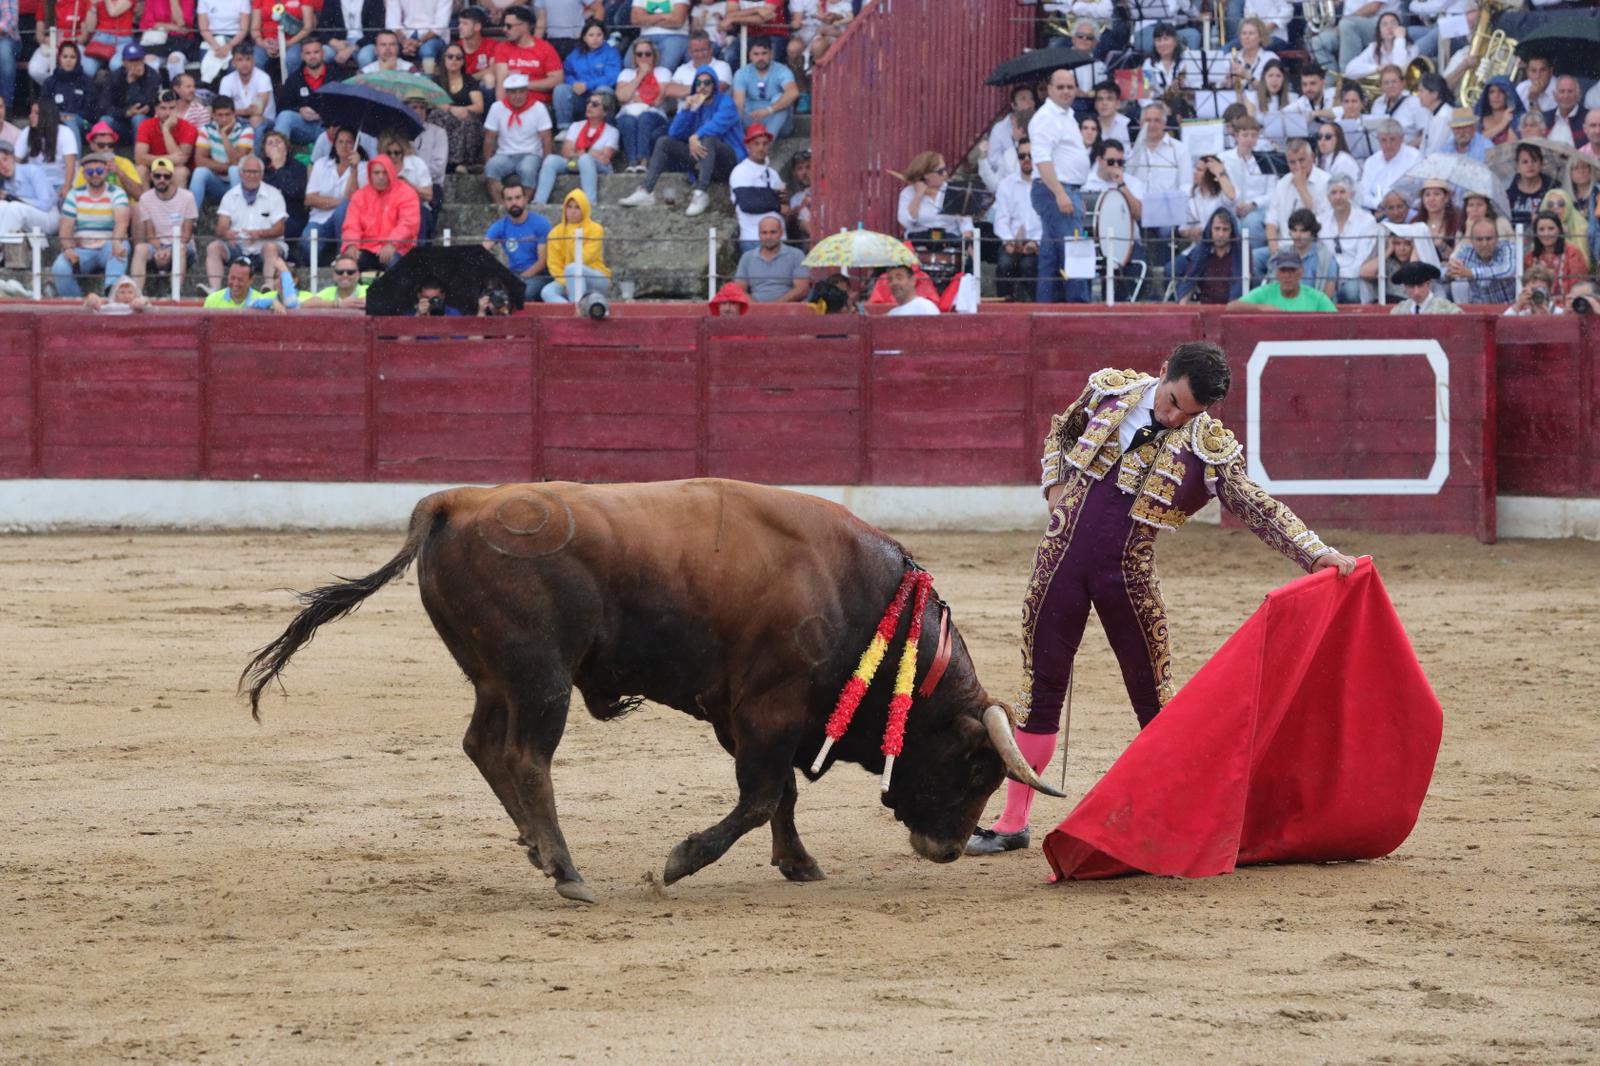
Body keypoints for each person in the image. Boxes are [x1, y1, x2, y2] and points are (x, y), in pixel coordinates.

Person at [967, 345, 1355, 854]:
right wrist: (1054, 486)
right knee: (1039, 693)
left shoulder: (1209, 446)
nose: (1174, 417)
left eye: (1190, 413)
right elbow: (1062, 430)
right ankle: (1013, 821)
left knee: (1154, 700)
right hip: (1057, 562)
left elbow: (1254, 504)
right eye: (1173, 402)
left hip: (1128, 577)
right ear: (1164, 373)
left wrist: (1314, 552)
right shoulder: (1109, 391)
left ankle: (1182, 813)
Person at [618, 63, 745, 218]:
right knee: (664, 142)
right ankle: (646, 190)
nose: (702, 87)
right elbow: (674, 133)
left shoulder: (726, 102)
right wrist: (686, 111)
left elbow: (717, 125)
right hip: (702, 161)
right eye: (698, 83)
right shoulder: (695, 106)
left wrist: (695, 136)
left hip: (728, 161)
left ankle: (701, 192)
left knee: (708, 139)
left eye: (707, 83)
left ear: (714, 85)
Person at [1028, 66, 1090, 304]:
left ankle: (1047, 307)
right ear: (1050, 89)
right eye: (1061, 87)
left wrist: (1069, 191)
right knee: (1073, 254)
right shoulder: (1046, 118)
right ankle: (1079, 308)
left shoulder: (1065, 115)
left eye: (1070, 87)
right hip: (1055, 190)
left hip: (1062, 189)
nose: (1066, 91)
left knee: (1052, 255)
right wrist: (1061, 193)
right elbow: (1042, 160)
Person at [52, 151, 129, 296]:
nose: (95, 174)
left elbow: (121, 222)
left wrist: (116, 241)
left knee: (121, 247)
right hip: (83, 250)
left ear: (106, 170)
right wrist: (68, 248)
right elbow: (66, 225)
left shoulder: (117, 192)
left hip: (108, 246)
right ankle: (76, 306)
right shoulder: (74, 194)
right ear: (83, 173)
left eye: (99, 170)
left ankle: (111, 295)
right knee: (60, 267)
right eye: (90, 171)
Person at [206, 154, 286, 287]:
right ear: (240, 173)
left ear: (262, 174)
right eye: (247, 171)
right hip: (239, 248)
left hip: (264, 248)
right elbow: (221, 227)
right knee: (213, 247)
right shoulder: (230, 196)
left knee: (270, 247)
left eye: (255, 172)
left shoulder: (274, 195)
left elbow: (279, 229)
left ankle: (269, 289)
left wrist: (260, 234)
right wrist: (227, 233)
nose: (251, 175)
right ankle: (214, 290)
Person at [1256, 138, 1329, 280]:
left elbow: (1318, 220)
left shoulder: (1325, 181)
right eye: (1292, 162)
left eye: (1302, 160)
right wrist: (1273, 246)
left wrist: (1301, 186)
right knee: (1252, 259)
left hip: (1309, 246)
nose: (1297, 167)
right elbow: (1271, 220)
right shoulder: (1283, 183)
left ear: (1312, 158)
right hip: (1283, 245)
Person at [483, 72, 554, 205]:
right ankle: (501, 206)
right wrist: (488, 161)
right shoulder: (497, 108)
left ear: (527, 91)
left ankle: (523, 206)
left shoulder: (538, 108)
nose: (518, 96)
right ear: (507, 93)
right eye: (513, 92)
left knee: (528, 169)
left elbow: (547, 138)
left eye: (521, 91)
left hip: (531, 153)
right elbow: (489, 138)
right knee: (491, 168)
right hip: (505, 154)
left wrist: (546, 162)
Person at [536, 90, 618, 205]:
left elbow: (605, 158)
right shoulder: (576, 126)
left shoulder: (612, 131)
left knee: (585, 159)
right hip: (573, 162)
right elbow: (565, 152)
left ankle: (590, 202)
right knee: (550, 160)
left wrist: (581, 153)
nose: (589, 106)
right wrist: (590, 153)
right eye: (588, 102)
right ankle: (539, 201)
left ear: (605, 112)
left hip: (598, 166)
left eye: (595, 104)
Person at [341, 153, 419, 271]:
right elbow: (351, 225)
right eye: (376, 173)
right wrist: (351, 245)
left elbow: (408, 224)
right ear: (370, 174)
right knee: (347, 266)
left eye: (385, 172)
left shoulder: (407, 193)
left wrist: (392, 244)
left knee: (394, 265)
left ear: (391, 173)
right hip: (366, 248)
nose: (381, 177)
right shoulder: (360, 196)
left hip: (398, 249)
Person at [130, 156, 197, 285]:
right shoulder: (145, 198)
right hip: (158, 246)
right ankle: (136, 294)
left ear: (172, 178)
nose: (162, 180)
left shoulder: (187, 197)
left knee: (180, 249)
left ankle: (175, 296)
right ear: (151, 177)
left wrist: (170, 250)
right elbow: (150, 234)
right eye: (157, 176)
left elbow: (187, 234)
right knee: (140, 249)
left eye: (166, 176)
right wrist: (160, 249)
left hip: (182, 246)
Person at [482, 175, 551, 299]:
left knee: (524, 293)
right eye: (509, 199)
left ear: (525, 199)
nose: (514, 202)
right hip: (513, 274)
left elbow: (541, 263)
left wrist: (519, 279)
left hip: (539, 276)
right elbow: (481, 250)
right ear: (504, 202)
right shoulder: (499, 226)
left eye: (518, 198)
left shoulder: (541, 224)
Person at [302, 124, 360, 263]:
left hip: (348, 222)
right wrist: (341, 203)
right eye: (340, 141)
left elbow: (355, 201)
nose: (344, 146)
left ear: (355, 145)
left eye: (349, 142)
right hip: (320, 219)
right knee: (306, 245)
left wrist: (355, 170)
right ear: (334, 144)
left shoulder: (363, 167)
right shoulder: (321, 164)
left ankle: (343, 257)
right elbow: (310, 199)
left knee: (343, 210)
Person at [994, 137, 1041, 302]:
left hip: (1037, 243)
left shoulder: (1046, 184)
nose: (1027, 159)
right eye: (1022, 156)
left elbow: (1048, 221)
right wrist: (1008, 241)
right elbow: (1001, 219)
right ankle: (1002, 309)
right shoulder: (1006, 184)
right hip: (1011, 241)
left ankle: (1035, 307)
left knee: (1029, 266)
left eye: (1030, 155)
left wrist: (1036, 242)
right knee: (1004, 265)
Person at [541, 187, 608, 303]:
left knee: (572, 268)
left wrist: (572, 236)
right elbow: (554, 264)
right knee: (547, 292)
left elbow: (584, 258)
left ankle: (578, 308)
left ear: (585, 209)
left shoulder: (596, 229)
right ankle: (574, 310)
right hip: (566, 279)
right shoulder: (555, 233)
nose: (572, 211)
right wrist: (567, 283)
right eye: (569, 207)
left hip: (595, 277)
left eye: (577, 207)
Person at [614, 37, 671, 172]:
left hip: (654, 115)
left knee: (645, 117)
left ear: (654, 55)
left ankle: (644, 161)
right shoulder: (627, 73)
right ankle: (633, 161)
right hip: (627, 114)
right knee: (628, 121)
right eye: (639, 54)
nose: (644, 57)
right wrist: (641, 75)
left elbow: (658, 100)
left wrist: (635, 97)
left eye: (648, 54)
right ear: (634, 57)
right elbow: (622, 97)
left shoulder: (663, 72)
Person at [727, 122, 783, 254]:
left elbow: (784, 201)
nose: (761, 148)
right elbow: (748, 204)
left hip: (779, 241)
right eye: (756, 144)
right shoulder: (740, 171)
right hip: (753, 240)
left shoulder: (773, 173)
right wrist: (777, 204)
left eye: (765, 143)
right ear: (747, 146)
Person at [273, 38, 338, 150]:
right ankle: (277, 159)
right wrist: (299, 110)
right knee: (285, 117)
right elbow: (282, 107)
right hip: (303, 127)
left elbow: (345, 104)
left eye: (316, 52)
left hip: (328, 127)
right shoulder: (294, 79)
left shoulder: (336, 75)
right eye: (308, 53)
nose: (312, 56)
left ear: (323, 53)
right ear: (302, 56)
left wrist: (323, 113)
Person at [552, 18, 619, 128]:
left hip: (598, 94)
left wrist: (587, 85)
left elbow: (612, 77)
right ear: (584, 37)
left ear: (604, 37)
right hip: (580, 96)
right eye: (591, 35)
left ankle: (604, 128)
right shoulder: (576, 53)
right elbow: (566, 73)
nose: (595, 39)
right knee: (560, 89)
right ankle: (564, 128)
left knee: (605, 90)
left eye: (599, 35)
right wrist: (573, 84)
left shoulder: (611, 52)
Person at [429, 44, 486, 172]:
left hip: (465, 116)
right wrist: (452, 109)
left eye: (458, 57)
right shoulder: (436, 81)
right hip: (446, 116)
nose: (454, 60)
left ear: (463, 61)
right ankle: (446, 161)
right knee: (437, 115)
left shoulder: (469, 80)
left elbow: (479, 106)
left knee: (469, 120)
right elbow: (434, 102)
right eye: (450, 57)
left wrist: (464, 109)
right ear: (444, 59)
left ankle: (463, 163)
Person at [1323, 173, 1378, 303]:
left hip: (1356, 278)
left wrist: (1337, 278)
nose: (1338, 197)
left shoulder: (1366, 220)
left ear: (1351, 194)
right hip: (1328, 277)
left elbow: (1361, 262)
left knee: (1350, 291)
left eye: (1342, 192)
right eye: (1333, 193)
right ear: (1328, 197)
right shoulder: (1322, 220)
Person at [1173, 206, 1244, 304]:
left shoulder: (1242, 251)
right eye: (1217, 229)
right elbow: (1190, 280)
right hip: (1206, 310)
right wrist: (1182, 308)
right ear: (1210, 229)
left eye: (1225, 229)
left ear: (1231, 231)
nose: (1220, 234)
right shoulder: (1201, 251)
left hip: (1233, 310)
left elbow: (1242, 285)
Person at [190, 98, 254, 206]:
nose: (224, 119)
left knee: (234, 170)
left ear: (234, 114)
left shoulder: (246, 130)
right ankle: (191, 219)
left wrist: (224, 135)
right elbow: (200, 161)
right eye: (220, 115)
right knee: (200, 172)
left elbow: (236, 162)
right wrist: (225, 167)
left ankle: (239, 215)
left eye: (227, 114)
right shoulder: (206, 129)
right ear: (213, 116)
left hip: (242, 183)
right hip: (217, 183)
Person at [492, 6, 561, 106]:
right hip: (512, 105)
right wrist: (502, 109)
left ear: (525, 26)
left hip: (540, 105)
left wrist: (524, 85)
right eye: (504, 25)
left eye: (509, 26)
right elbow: (501, 82)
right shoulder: (502, 48)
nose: (504, 29)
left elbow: (557, 80)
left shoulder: (545, 48)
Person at [732, 39, 798, 142]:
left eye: (764, 53)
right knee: (739, 102)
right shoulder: (742, 73)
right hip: (753, 119)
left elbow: (793, 93)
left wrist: (768, 110)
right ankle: (748, 142)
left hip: (778, 122)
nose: (760, 58)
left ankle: (766, 145)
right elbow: (739, 103)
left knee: (780, 97)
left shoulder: (782, 70)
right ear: (750, 56)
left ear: (771, 54)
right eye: (756, 54)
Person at [731, 214, 808, 303]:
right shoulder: (747, 257)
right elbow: (739, 289)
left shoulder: (796, 255)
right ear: (759, 234)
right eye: (764, 232)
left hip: (787, 310)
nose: (768, 237)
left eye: (773, 232)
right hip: (755, 310)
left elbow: (802, 289)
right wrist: (757, 308)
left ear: (781, 233)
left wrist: (774, 307)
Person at [1229, 250, 1337, 311]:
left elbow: (1336, 320)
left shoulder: (1316, 298)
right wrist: (1261, 307)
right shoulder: (1265, 293)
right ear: (1277, 273)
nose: (1287, 275)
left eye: (1292, 270)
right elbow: (1231, 307)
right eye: (1283, 270)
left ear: (1301, 272)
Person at [895, 150, 967, 240]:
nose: (945, 174)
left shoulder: (954, 191)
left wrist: (967, 242)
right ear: (926, 175)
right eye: (940, 171)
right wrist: (918, 195)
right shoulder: (908, 193)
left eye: (945, 169)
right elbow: (906, 222)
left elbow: (965, 223)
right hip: (920, 244)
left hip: (950, 245)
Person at [17, 99, 79, 202]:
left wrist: (66, 187)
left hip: (59, 183)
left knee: (65, 202)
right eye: (31, 112)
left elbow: (70, 166)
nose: (30, 116)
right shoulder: (27, 132)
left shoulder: (65, 133)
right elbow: (15, 160)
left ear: (47, 116)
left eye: (36, 113)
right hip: (34, 184)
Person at [134, 90, 198, 189]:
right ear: (156, 109)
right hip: (153, 168)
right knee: (140, 170)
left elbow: (181, 161)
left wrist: (166, 130)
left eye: (172, 108)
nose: (168, 113)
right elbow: (139, 158)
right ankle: (145, 203)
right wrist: (171, 158)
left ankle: (177, 204)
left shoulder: (188, 128)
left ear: (177, 109)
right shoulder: (146, 125)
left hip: (176, 169)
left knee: (180, 171)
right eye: (163, 108)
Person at [101, 42, 161, 146]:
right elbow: (105, 105)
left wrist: (133, 83)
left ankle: (139, 156)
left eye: (138, 60)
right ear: (124, 62)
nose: (136, 64)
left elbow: (146, 103)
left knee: (138, 118)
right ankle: (106, 157)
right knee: (105, 121)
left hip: (145, 126)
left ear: (143, 60)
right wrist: (126, 113)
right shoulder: (115, 77)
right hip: (121, 124)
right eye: (131, 61)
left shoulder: (152, 75)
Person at [1446, 217, 1515, 304]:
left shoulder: (1508, 247)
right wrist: (1450, 272)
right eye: (1479, 239)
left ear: (1497, 239)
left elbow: (1508, 270)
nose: (1484, 244)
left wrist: (1470, 273)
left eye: (1489, 239)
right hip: (1479, 310)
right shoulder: (1466, 250)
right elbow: (1446, 271)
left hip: (1509, 310)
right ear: (1472, 241)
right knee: (1457, 284)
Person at [0, 140, 60, 240]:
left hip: (49, 217)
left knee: (15, 207)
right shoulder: (5, 183)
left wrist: (15, 199)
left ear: (12, 157)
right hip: (25, 220)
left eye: (5, 159)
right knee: (2, 205)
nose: (3, 166)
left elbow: (45, 205)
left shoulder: (33, 171)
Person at [1357, 118, 1419, 212]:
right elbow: (1363, 194)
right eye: (1383, 140)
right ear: (1378, 140)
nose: (1388, 145)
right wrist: (1378, 204)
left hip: (1407, 210)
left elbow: (1416, 193)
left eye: (1392, 139)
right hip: (1377, 209)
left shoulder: (1414, 157)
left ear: (1402, 139)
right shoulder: (1371, 161)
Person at [218, 41, 274, 142]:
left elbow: (258, 110)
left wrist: (236, 111)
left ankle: (255, 157)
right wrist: (244, 111)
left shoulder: (263, 78)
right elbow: (222, 109)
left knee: (255, 120)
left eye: (248, 59)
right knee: (222, 119)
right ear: (233, 63)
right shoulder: (226, 80)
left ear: (253, 61)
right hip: (237, 118)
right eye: (240, 60)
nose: (244, 64)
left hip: (264, 119)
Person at [261, 129, 308, 248]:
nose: (274, 145)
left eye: (278, 142)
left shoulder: (299, 167)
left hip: (291, 217)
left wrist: (279, 168)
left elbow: (295, 191)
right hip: (265, 215)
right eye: (270, 143)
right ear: (265, 151)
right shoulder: (261, 169)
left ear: (286, 147)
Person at [41, 42, 98, 139]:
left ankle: (75, 154)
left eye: (72, 57)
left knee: (70, 121)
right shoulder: (50, 82)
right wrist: (59, 117)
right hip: (56, 121)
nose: (68, 60)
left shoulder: (86, 81)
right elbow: (44, 106)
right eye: (65, 56)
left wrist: (70, 116)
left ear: (78, 59)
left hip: (84, 124)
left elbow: (91, 111)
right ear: (59, 58)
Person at [1524, 209, 1586, 299]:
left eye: (1551, 228)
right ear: (1536, 233)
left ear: (1559, 230)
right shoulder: (1530, 258)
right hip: (1537, 307)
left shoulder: (1573, 253)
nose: (1546, 233)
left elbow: (1577, 287)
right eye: (1541, 229)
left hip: (1568, 306)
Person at [203, 254, 293, 309]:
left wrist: (284, 271)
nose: (235, 283)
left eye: (240, 279)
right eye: (232, 278)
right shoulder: (212, 300)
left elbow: (290, 301)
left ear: (251, 280)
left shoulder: (261, 300)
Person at [1343, 11, 1412, 81]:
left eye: (1393, 23)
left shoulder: (1411, 49)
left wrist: (1400, 39)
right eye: (1385, 25)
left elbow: (1399, 70)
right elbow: (1349, 70)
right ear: (1380, 32)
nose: (1389, 27)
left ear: (1400, 28)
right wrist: (1376, 68)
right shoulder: (1373, 48)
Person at [631, 0, 690, 74]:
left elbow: (677, 21)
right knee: (629, 63)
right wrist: (663, 16)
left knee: (665, 68)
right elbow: (635, 20)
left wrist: (647, 19)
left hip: (675, 35)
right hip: (645, 36)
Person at [1506, 141, 1554, 232]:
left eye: (1534, 160)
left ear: (1541, 163)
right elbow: (1506, 218)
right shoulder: (1508, 194)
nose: (1530, 165)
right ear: (1517, 165)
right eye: (1525, 162)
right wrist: (1528, 217)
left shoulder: (1552, 188)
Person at [298, 252, 367, 308]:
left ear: (358, 275)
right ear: (334, 275)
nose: (345, 275)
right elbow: (305, 305)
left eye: (350, 272)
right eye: (340, 272)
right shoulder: (330, 291)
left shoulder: (367, 289)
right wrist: (338, 304)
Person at [1389, 260, 1458, 314]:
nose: (1416, 292)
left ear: (1428, 284)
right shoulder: (1399, 310)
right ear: (1405, 287)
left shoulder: (1446, 308)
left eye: (1420, 286)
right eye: (1411, 287)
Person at [1476, 75, 1520, 147]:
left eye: (1501, 91)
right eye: (1491, 92)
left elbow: (1511, 149)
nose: (1496, 95)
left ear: (1508, 95)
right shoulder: (1478, 120)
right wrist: (1502, 125)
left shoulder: (1516, 120)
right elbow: (1474, 142)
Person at [1312, 119, 1360, 185]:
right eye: (1319, 136)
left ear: (1338, 139)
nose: (1322, 140)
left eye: (1328, 137)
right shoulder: (1319, 159)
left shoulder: (1343, 160)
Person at [83, 273, 151, 311]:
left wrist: (144, 301)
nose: (126, 296)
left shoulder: (140, 306)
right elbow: (87, 307)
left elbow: (150, 308)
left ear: (135, 295)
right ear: (116, 295)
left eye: (130, 292)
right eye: (122, 292)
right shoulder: (108, 306)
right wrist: (91, 297)